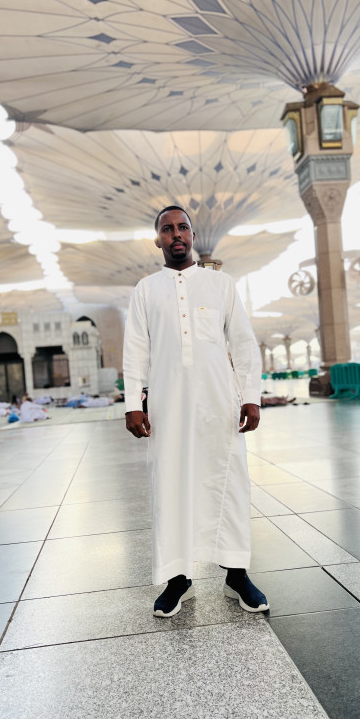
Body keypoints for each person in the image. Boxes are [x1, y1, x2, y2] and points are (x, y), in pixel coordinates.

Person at [123, 205, 268, 618]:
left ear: (192, 234)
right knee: (171, 484)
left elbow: (243, 342)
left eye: (182, 227)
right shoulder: (146, 289)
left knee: (229, 481)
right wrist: (133, 404)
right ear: (158, 240)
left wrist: (251, 396)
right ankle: (177, 579)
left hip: (218, 403)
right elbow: (135, 350)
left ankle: (236, 574)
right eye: (167, 229)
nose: (176, 234)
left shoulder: (220, 284)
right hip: (168, 406)